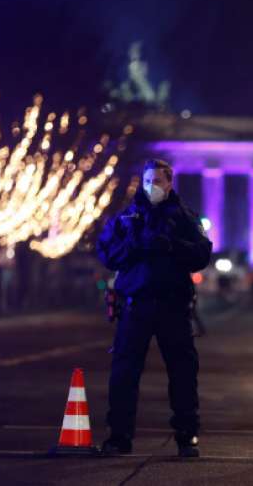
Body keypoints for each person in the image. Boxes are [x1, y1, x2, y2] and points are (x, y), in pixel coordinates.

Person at [96, 158, 212, 458]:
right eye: (147, 181)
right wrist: (134, 246)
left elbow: (202, 253)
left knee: (183, 371)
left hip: (173, 305)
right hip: (136, 304)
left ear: (169, 183)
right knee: (124, 372)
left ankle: (187, 435)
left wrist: (171, 245)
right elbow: (106, 252)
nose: (151, 187)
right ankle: (119, 436)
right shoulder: (127, 217)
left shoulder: (184, 216)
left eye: (157, 181)